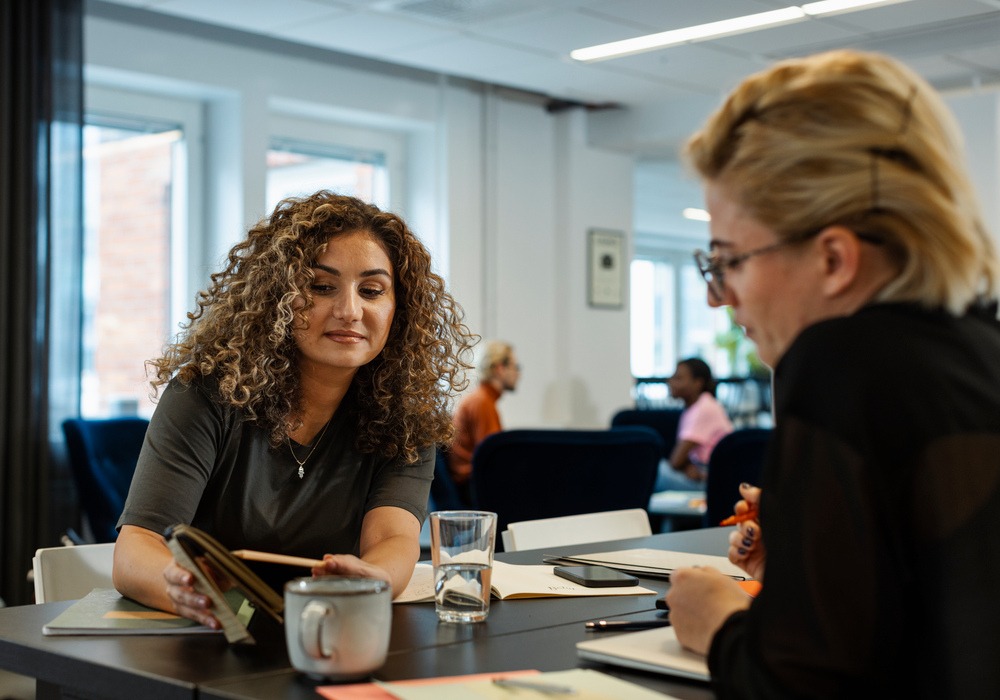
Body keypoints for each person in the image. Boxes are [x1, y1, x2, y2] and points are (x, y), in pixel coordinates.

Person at [664, 49, 1000, 697]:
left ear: (834, 260)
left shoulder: (839, 362)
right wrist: (806, 555)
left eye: (729, 260)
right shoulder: (980, 345)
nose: (718, 296)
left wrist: (721, 624)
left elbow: (799, 684)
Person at [112, 191, 476, 631]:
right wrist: (185, 586)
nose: (349, 310)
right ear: (277, 298)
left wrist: (376, 578)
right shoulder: (204, 394)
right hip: (209, 635)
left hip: (326, 630)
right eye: (321, 287)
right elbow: (137, 547)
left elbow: (392, 538)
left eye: (372, 291)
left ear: (398, 310)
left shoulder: (406, 415)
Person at [448, 340, 520, 502]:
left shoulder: (481, 399)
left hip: (471, 484)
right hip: (473, 487)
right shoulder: (482, 403)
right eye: (516, 367)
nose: (518, 373)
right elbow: (494, 459)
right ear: (500, 368)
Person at [660, 357, 733, 488]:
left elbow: (676, 461)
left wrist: (686, 466)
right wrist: (688, 466)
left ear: (698, 383)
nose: (670, 382)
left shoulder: (703, 408)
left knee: (658, 471)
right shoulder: (698, 406)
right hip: (702, 471)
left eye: (678, 378)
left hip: (709, 479)